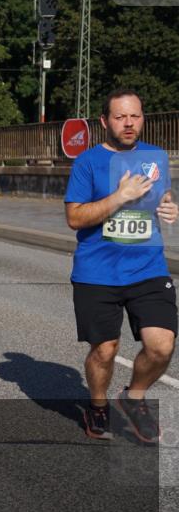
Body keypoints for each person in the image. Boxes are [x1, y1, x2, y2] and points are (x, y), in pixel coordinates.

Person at [65, 89, 177, 443]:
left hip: (148, 267)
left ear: (143, 118)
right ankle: (98, 406)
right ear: (104, 122)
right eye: (120, 117)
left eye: (135, 116)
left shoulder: (156, 156)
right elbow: (74, 217)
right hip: (97, 272)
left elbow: (165, 199)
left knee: (162, 345)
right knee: (105, 349)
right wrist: (119, 197)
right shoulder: (87, 163)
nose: (128, 123)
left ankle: (133, 397)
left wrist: (171, 209)